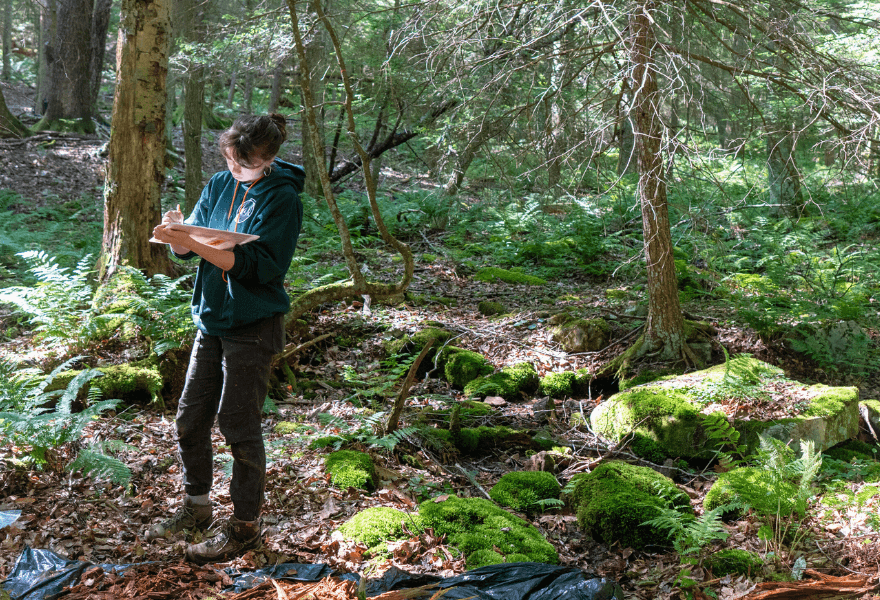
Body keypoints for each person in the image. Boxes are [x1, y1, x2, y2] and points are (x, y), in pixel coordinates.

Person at [146, 114, 304, 563]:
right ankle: (196, 508)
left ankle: (244, 529)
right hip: (211, 319)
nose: (235, 169)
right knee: (189, 418)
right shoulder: (218, 183)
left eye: (244, 164)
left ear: (268, 159)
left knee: (238, 425)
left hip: (252, 325)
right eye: (231, 160)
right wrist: (176, 234)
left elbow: (260, 269)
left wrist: (197, 246)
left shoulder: (283, 197)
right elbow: (190, 244)